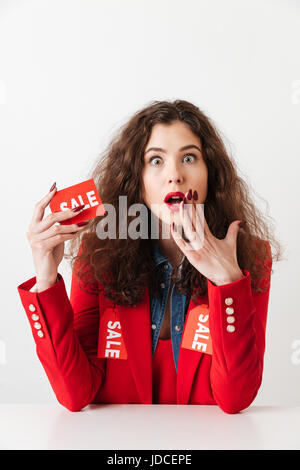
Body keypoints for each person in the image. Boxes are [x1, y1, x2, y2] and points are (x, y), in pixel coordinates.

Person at [17, 100, 282, 413]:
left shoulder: (248, 257)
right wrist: (46, 280)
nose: (175, 175)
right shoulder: (99, 255)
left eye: (189, 157)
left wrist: (227, 282)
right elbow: (76, 395)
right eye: (156, 160)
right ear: (137, 179)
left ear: (211, 174)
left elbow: (235, 398)